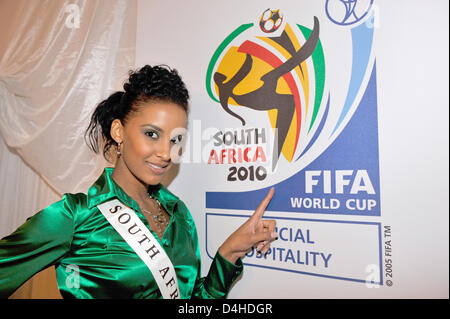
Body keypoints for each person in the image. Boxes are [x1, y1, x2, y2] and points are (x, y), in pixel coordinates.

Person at [0, 65, 277, 299]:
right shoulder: (76, 217)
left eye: (176, 139)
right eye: (152, 134)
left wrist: (229, 252)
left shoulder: (179, 215)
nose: (167, 153)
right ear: (119, 131)